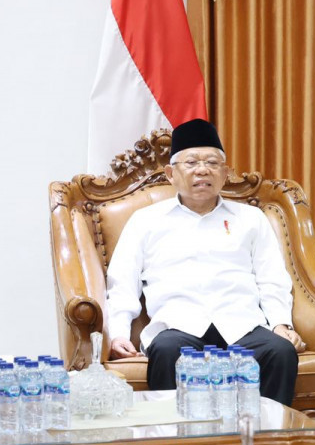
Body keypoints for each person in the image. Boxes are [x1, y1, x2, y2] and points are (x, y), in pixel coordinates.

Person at [106, 118, 304, 406]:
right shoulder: (145, 221)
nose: (202, 170)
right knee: (166, 351)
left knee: (280, 351)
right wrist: (119, 334)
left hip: (243, 327)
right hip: (178, 329)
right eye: (191, 162)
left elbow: (271, 278)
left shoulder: (251, 219)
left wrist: (281, 324)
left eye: (212, 163)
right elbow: (122, 282)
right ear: (170, 173)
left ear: (224, 173)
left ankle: (265, 442)